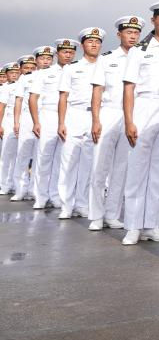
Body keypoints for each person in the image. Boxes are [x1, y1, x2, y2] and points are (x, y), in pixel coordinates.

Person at [120, 1, 159, 246]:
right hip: (145, 106)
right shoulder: (140, 50)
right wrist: (129, 120)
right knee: (137, 170)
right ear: (154, 20)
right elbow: (129, 87)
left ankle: (151, 224)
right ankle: (132, 226)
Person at [88, 16, 142, 230]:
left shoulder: (143, 57)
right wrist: (95, 119)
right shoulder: (107, 59)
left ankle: (111, 213)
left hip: (133, 115)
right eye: (129, 32)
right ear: (120, 34)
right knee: (99, 166)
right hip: (109, 113)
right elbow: (97, 91)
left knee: (122, 168)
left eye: (136, 33)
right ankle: (96, 216)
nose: (133, 36)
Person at [55, 27, 105, 218]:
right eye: (90, 41)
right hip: (75, 115)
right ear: (83, 44)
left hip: (96, 116)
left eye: (98, 42)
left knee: (88, 163)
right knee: (68, 162)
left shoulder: (105, 64)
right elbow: (63, 97)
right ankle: (66, 204)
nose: (94, 45)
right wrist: (61, 123)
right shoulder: (71, 68)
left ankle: (82, 203)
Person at [27, 41, 74, 207]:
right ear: (58, 54)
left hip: (69, 116)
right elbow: (33, 98)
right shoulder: (45, 73)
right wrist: (36, 121)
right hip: (48, 115)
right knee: (43, 157)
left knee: (61, 159)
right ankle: (40, 196)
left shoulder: (75, 70)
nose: (68, 55)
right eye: (65, 52)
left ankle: (55, 196)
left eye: (71, 52)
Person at [6, 55, 37, 199]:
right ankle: (20, 189)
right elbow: (18, 101)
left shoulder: (45, 76)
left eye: (32, 67)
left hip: (43, 116)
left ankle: (33, 190)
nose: (30, 70)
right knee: (22, 154)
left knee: (39, 156)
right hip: (26, 118)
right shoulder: (23, 80)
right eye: (27, 68)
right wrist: (16, 122)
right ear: (21, 69)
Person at [0, 62, 22, 195]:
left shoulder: (23, 84)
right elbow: (1, 107)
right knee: (6, 155)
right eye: (11, 73)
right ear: (7, 74)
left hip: (21, 119)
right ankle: (4, 184)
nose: (14, 75)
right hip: (8, 120)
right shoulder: (4, 88)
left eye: (16, 72)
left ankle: (15, 183)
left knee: (19, 154)